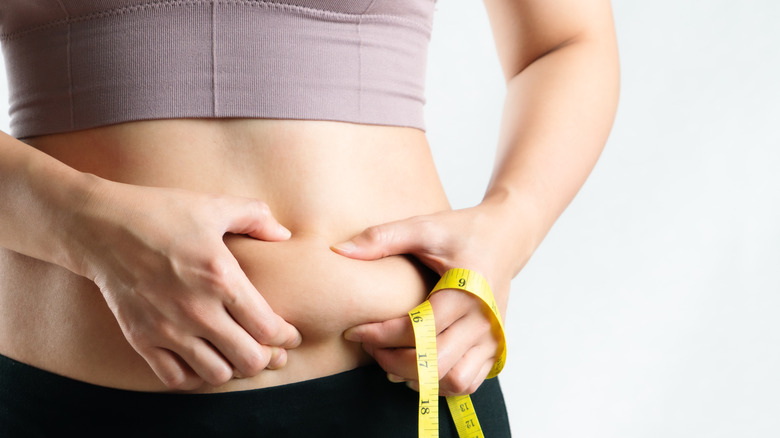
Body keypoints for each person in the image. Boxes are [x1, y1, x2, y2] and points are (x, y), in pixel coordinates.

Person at [0, 0, 619, 436]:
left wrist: (510, 228)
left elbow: (565, 41)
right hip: (69, 402)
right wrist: (84, 223)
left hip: (398, 393)